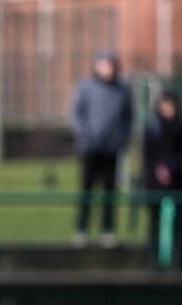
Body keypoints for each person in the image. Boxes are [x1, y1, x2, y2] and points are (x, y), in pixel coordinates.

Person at [70, 50, 133, 248]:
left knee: (110, 192)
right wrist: (85, 135)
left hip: (112, 148)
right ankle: (81, 229)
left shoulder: (123, 90)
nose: (108, 70)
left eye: (111, 65)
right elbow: (75, 114)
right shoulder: (86, 87)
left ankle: (108, 230)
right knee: (86, 190)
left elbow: (129, 118)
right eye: (105, 65)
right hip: (90, 148)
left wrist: (122, 138)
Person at [141, 90, 182, 269]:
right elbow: (148, 154)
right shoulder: (153, 127)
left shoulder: (180, 126)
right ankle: (153, 262)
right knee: (154, 222)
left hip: (175, 182)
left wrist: (170, 168)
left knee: (177, 223)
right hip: (154, 183)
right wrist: (159, 170)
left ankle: (176, 262)